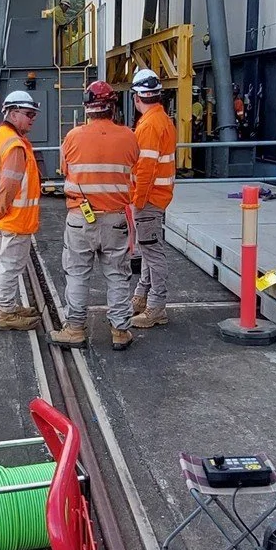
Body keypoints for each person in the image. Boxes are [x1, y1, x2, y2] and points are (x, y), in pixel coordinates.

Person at [49, 80, 140, 351]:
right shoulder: (129, 137)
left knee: (77, 274)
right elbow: (133, 167)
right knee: (117, 274)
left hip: (80, 218)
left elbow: (65, 169)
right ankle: (120, 331)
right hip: (115, 219)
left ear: (87, 108)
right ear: (112, 107)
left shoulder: (72, 137)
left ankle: (75, 329)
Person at [0, 89, 42, 330]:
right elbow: (9, 184)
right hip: (14, 218)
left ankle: (9, 307)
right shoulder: (14, 145)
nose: (32, 119)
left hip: (2, 216)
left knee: (5, 264)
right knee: (10, 267)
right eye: (28, 114)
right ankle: (6, 312)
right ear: (13, 114)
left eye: (33, 114)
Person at [130, 68, 177, 328]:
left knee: (152, 252)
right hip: (157, 197)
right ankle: (142, 297)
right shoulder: (162, 120)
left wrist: (137, 201)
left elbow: (145, 169)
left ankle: (156, 307)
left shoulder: (148, 125)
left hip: (148, 199)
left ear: (137, 98)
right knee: (148, 249)